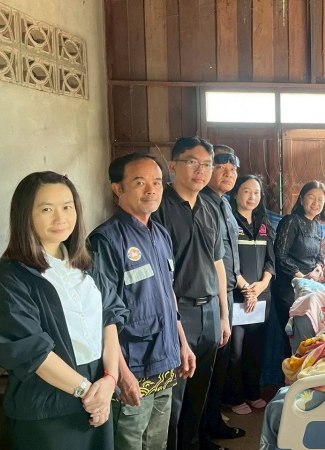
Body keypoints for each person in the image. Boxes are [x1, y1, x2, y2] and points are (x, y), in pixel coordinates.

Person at [0, 171, 127, 449]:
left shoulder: (89, 265)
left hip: (98, 398)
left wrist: (110, 380)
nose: (60, 218)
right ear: (25, 215)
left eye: (67, 207)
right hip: (47, 408)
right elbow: (31, 351)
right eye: (47, 209)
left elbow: (109, 319)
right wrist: (88, 392)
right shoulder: (9, 277)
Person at [88, 153, 197, 450]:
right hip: (132, 368)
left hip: (165, 361)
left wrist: (182, 343)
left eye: (157, 182)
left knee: (157, 443)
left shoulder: (160, 234)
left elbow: (168, 293)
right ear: (118, 189)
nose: (151, 189)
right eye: (140, 183)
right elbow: (102, 314)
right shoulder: (105, 241)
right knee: (130, 442)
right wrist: (120, 374)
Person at [152, 137, 231, 450]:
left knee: (201, 390)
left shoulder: (211, 208)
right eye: (193, 162)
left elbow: (218, 263)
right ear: (173, 165)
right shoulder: (160, 208)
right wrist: (178, 326)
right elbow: (161, 277)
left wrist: (224, 315)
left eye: (207, 164)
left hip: (209, 310)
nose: (201, 170)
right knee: (174, 395)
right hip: (178, 311)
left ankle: (194, 443)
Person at [198, 145, 248, 448]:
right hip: (208, 295)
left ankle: (214, 421)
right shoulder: (200, 203)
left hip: (227, 291)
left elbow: (230, 255)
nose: (229, 174)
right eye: (222, 168)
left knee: (221, 364)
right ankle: (201, 433)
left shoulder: (225, 204)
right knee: (207, 368)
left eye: (233, 170)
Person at [224, 174, 276, 414]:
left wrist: (263, 285)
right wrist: (246, 289)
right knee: (235, 351)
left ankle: (252, 392)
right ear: (235, 193)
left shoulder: (264, 223)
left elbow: (271, 261)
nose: (252, 196)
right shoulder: (228, 221)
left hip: (261, 296)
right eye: (246, 191)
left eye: (256, 192)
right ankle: (234, 397)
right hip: (237, 296)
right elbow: (227, 262)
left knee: (255, 349)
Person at [273, 181, 325, 356]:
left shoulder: (318, 227)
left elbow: (319, 256)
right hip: (289, 286)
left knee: (310, 333)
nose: (316, 203)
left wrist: (318, 268)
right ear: (301, 199)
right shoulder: (291, 221)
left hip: (310, 286)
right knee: (293, 334)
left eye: (320, 199)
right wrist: (301, 276)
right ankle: (290, 369)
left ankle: (307, 367)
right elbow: (280, 255)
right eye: (311, 197)